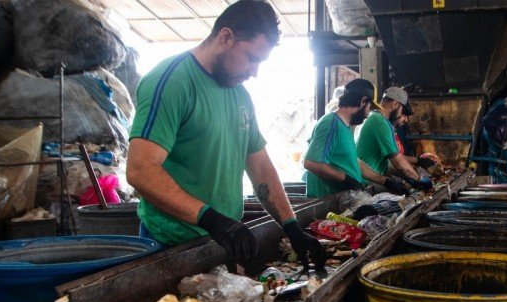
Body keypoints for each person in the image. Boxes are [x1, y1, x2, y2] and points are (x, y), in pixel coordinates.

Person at [126, 0, 325, 270]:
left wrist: (291, 227)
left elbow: (260, 165)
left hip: (221, 241)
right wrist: (212, 219)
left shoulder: (239, 95)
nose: (254, 72)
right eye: (252, 58)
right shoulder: (171, 82)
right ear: (225, 37)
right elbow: (141, 170)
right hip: (170, 244)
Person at [303, 78, 408, 198]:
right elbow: (311, 163)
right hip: (325, 202)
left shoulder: (345, 126)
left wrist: (384, 181)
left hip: (340, 200)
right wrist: (345, 178)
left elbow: (354, 161)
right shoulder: (331, 123)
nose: (369, 113)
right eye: (370, 107)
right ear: (363, 101)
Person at [356, 87, 433, 190]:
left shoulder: (373, 117)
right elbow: (398, 162)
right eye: (401, 109)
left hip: (365, 179)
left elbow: (386, 163)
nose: (401, 114)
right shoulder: (380, 122)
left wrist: (409, 176)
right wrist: (419, 179)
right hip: (366, 183)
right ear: (395, 104)